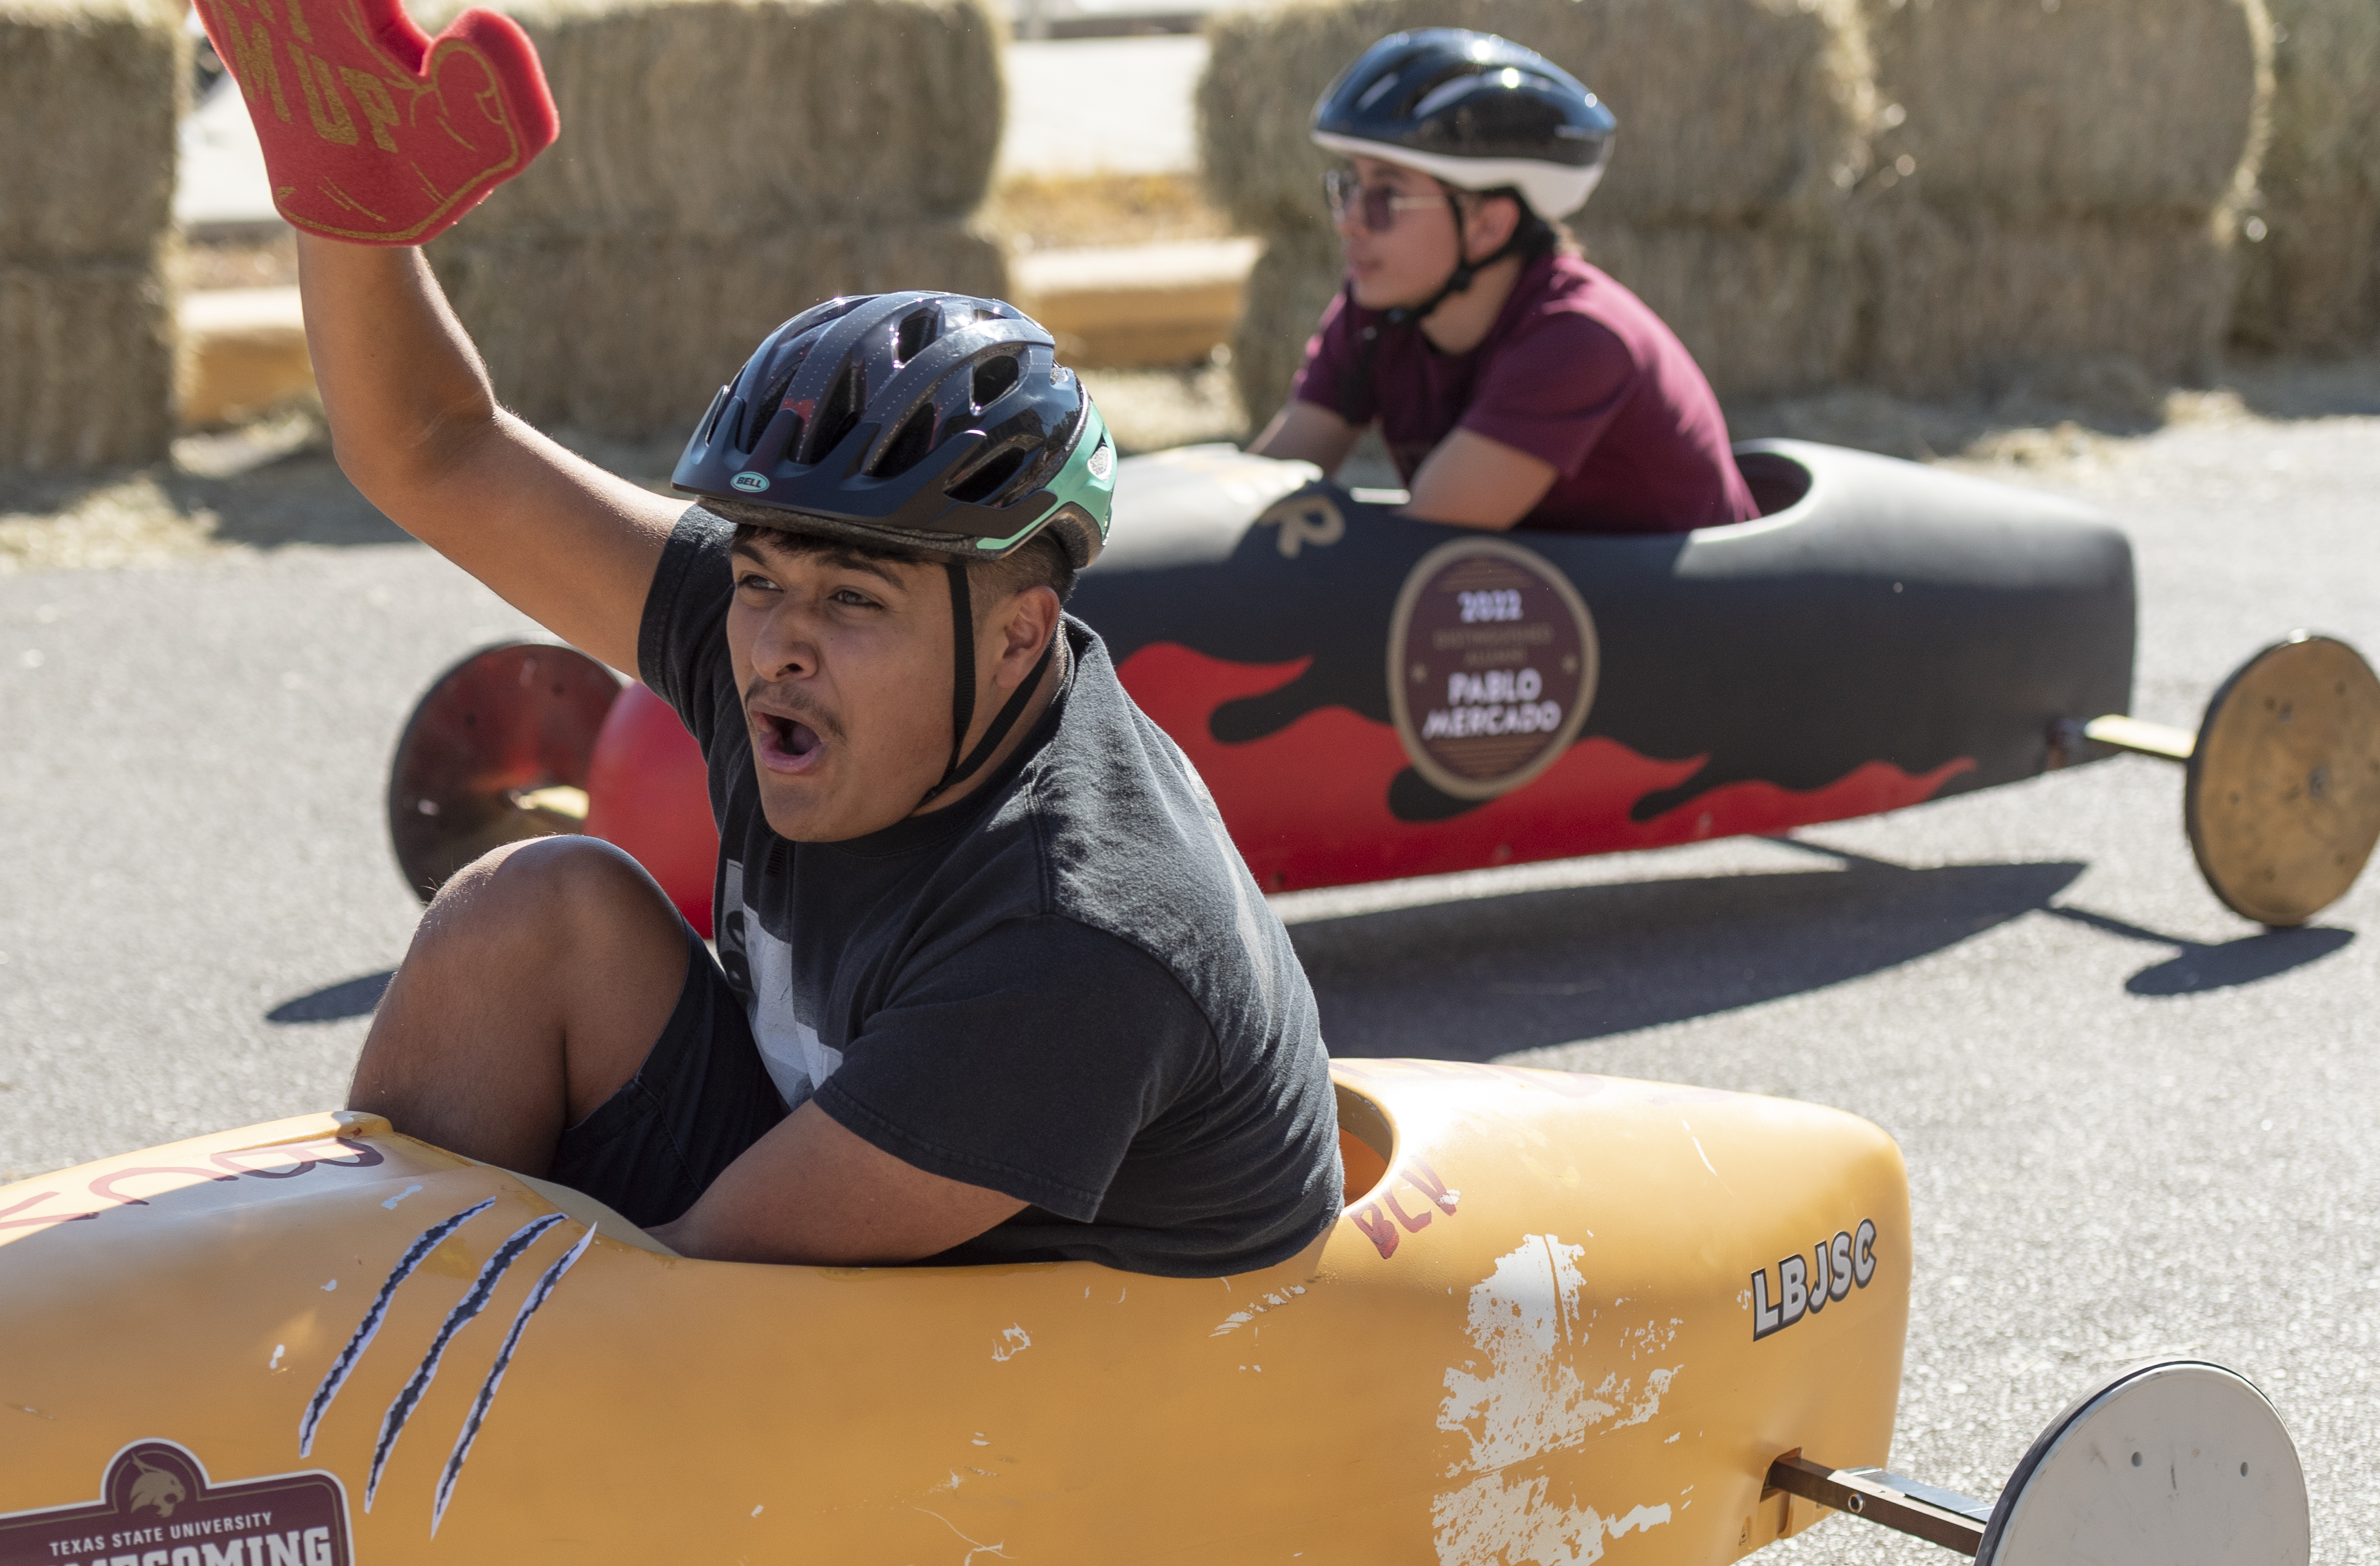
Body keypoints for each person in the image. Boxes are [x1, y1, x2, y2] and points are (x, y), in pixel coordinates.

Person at [203, 0, 1343, 1274]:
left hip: (1053, 1380)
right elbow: (437, 452)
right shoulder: (783, 641)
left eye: (854, 601)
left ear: (1021, 636)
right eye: (759, 577)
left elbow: (705, 1291)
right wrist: (345, 209)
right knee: (536, 907)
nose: (779, 645)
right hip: (838, 1221)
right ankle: (360, 1290)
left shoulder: (1075, 942)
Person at [1245, 28, 1759, 536]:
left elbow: (1425, 544)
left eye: (1386, 197)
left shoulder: (1576, 339)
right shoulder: (1380, 312)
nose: (1348, 220)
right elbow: (1268, 488)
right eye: (1349, 187)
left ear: (1489, 225)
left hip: (1694, 616)